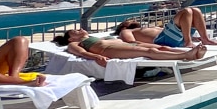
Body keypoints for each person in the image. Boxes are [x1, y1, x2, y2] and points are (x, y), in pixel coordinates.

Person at [52, 28, 207, 65]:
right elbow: (80, 52)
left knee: (161, 48)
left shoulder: (94, 36)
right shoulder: (74, 43)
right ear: (71, 37)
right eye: (76, 31)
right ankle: (185, 56)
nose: (80, 29)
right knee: (151, 51)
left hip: (123, 45)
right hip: (109, 50)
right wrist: (95, 56)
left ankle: (189, 53)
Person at [115, 7, 217, 49]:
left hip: (174, 37)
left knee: (196, 11)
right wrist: (157, 47)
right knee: (187, 11)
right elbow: (132, 44)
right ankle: (187, 42)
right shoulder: (126, 31)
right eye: (130, 21)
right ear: (123, 26)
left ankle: (205, 39)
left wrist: (193, 38)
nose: (133, 20)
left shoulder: (141, 28)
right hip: (161, 40)